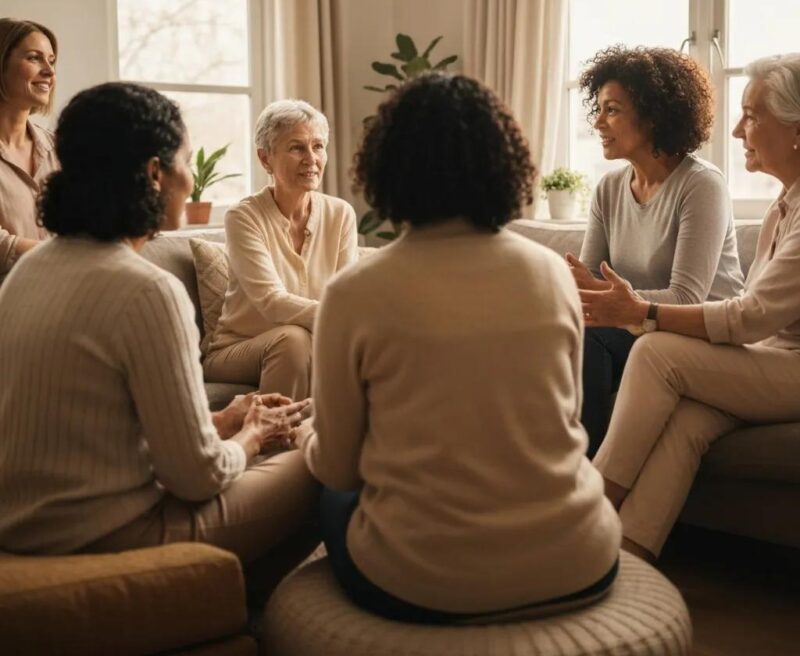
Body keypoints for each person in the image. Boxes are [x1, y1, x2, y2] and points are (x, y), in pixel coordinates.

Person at [296, 72, 621, 623]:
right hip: (580, 554)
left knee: (325, 497)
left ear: (386, 167)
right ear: (505, 163)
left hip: (424, 579)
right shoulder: (552, 274)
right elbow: (562, 420)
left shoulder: (353, 294)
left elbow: (339, 469)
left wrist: (306, 432)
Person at [0, 82, 317, 584]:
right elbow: (198, 478)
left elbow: (103, 429)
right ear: (154, 174)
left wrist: (222, 419)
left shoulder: (26, 274)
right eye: (187, 161)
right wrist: (254, 436)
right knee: (316, 457)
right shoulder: (147, 290)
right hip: (109, 534)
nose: (191, 179)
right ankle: (246, 604)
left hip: (22, 527)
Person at [579, 53, 800, 563]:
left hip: (787, 363)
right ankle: (621, 559)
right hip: (770, 357)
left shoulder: (709, 185)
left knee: (657, 353)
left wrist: (643, 313)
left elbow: (749, 314)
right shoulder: (784, 203)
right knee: (689, 422)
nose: (740, 128)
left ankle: (582, 515)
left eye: (754, 115)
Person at [566, 46, 743, 456]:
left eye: (611, 110)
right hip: (635, 332)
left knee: (587, 341)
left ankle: (578, 485)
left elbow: (687, 297)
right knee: (561, 331)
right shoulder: (609, 188)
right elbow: (591, 284)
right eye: (599, 108)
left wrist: (611, 303)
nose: (598, 122)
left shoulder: (701, 186)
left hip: (700, 335)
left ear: (653, 116)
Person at [204, 99, 358, 400]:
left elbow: (347, 294)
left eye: (318, 146)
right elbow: (271, 302)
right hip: (238, 348)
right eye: (297, 147)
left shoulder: (341, 214)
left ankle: (327, 439)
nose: (311, 158)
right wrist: (343, 318)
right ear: (265, 159)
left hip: (315, 340)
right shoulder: (243, 217)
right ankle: (272, 436)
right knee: (293, 340)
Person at [0, 18, 59, 280]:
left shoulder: (60, 148)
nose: (49, 71)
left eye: (52, 61)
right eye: (35, 58)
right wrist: (66, 256)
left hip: (64, 296)